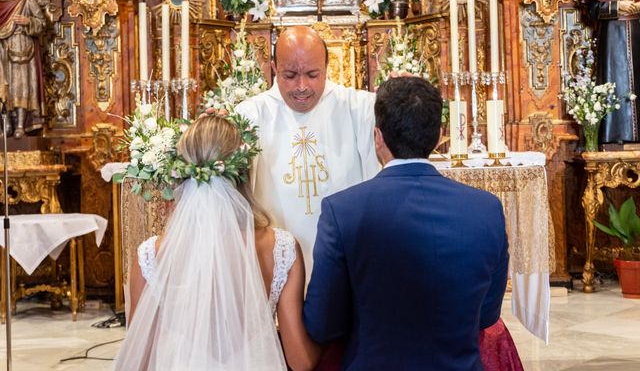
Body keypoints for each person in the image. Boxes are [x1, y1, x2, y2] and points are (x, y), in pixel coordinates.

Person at [303, 77, 512, 370]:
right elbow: (487, 315)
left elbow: (322, 323)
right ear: (440, 135)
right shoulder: (486, 209)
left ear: (378, 136)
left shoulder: (342, 211)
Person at [114, 113, 321, 370]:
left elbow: (139, 360)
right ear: (243, 172)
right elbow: (301, 361)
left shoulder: (151, 257)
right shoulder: (281, 248)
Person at [235, 26, 379, 274]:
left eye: (312, 75)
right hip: (274, 265)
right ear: (273, 68)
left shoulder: (359, 108)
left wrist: (403, 95)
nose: (301, 86)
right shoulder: (250, 115)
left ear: (327, 66)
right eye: (290, 75)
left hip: (346, 261)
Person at [581, 0, 640, 143]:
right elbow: (592, 10)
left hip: (637, 34)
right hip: (612, 38)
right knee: (614, 82)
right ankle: (614, 137)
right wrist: (617, 6)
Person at [0, 0, 46, 138]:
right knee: (4, 86)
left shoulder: (27, 2)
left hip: (21, 47)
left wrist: (28, 21)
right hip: (2, 49)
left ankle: (20, 124)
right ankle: (6, 125)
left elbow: (41, 24)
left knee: (20, 85)